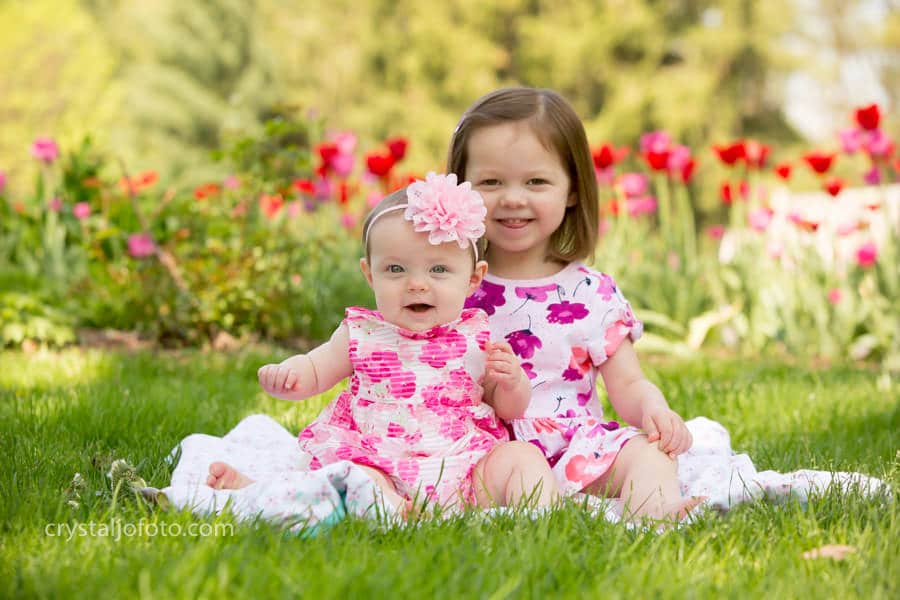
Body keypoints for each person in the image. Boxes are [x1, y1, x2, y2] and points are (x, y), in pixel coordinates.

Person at [207, 173, 560, 514]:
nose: (417, 284)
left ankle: (535, 518)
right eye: (395, 270)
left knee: (521, 458)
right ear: (369, 274)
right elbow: (316, 369)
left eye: (438, 270)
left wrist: (512, 383)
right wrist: (290, 377)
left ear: (472, 279)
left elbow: (508, 409)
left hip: (462, 464)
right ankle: (276, 492)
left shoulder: (476, 336)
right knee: (351, 479)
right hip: (376, 460)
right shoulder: (363, 333)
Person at [450, 87, 703, 520]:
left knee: (647, 453)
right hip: (490, 452)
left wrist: (654, 411)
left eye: (536, 181)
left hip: (577, 448)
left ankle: (656, 512)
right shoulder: (450, 285)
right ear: (460, 189)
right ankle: (531, 511)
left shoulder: (591, 292)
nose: (512, 198)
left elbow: (627, 385)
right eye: (491, 182)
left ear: (571, 190)